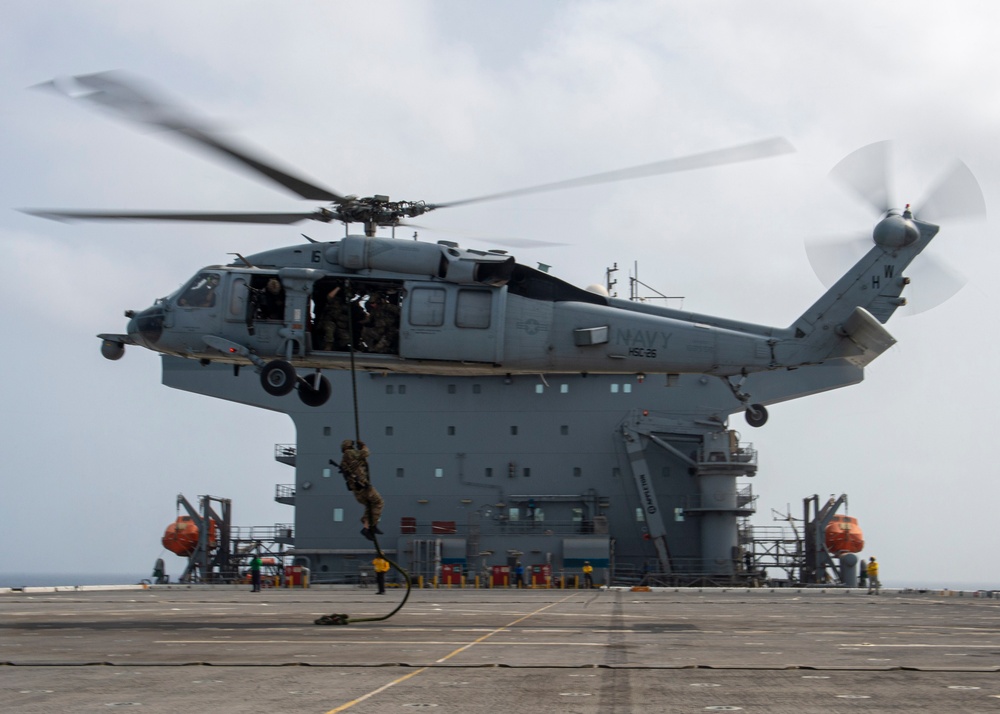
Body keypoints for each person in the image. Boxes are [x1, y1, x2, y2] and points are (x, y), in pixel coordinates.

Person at [336, 439, 385, 541]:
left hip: (357, 491)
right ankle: (373, 525)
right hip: (363, 487)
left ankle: (366, 528)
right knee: (379, 502)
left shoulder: (344, 461)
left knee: (370, 505)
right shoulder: (350, 453)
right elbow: (366, 453)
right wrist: (363, 445)